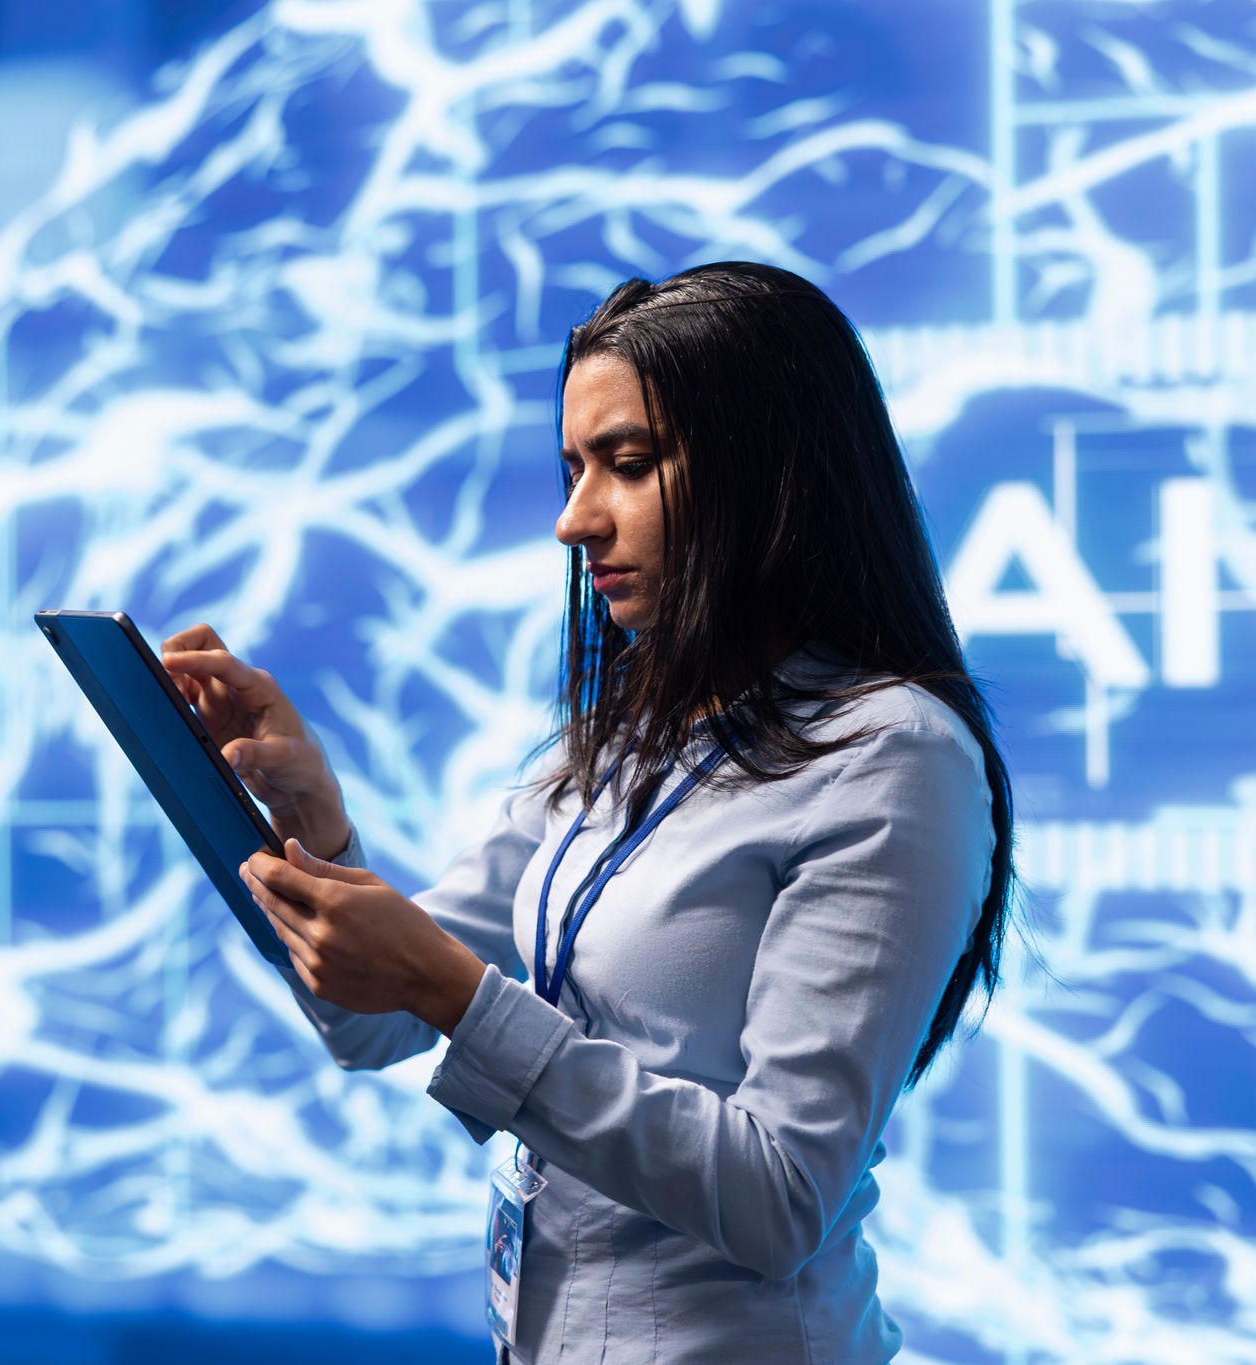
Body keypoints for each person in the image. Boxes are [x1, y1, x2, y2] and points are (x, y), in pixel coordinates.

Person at [158, 261, 1018, 1364]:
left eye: (626, 465)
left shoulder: (891, 756)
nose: (573, 521)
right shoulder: (621, 735)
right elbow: (368, 1019)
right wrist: (306, 817)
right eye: (572, 468)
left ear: (770, 477)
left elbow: (780, 1197)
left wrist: (451, 991)